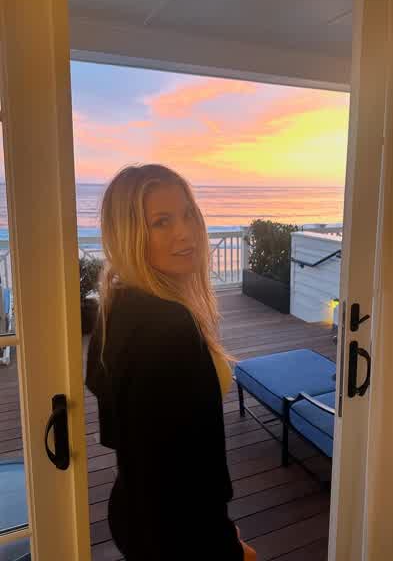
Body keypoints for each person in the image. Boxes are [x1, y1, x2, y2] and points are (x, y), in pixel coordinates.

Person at [85, 164, 257, 560]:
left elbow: (120, 434)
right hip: (178, 534)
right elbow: (194, 468)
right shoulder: (169, 325)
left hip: (134, 511)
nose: (185, 232)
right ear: (129, 235)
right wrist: (225, 542)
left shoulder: (115, 306)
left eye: (188, 214)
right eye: (161, 222)